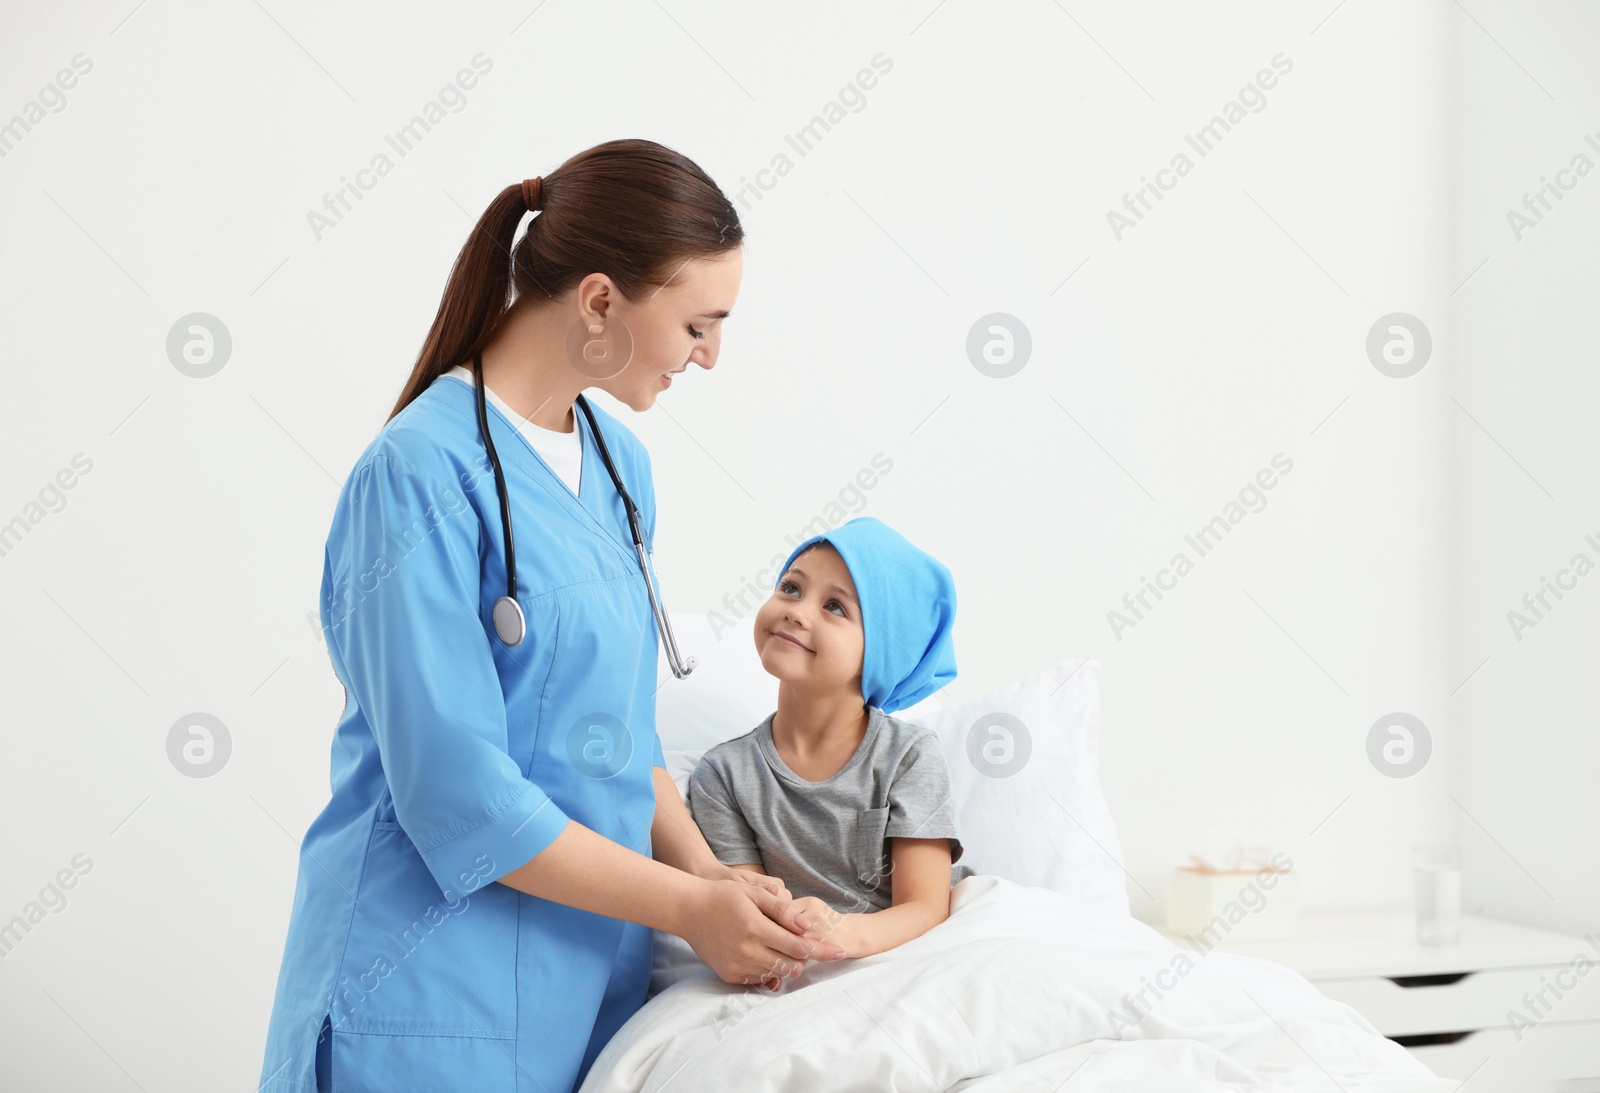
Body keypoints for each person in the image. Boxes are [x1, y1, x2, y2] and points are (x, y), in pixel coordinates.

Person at [257, 139, 845, 1093]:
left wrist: (710, 879)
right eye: (700, 324)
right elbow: (457, 791)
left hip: (580, 991)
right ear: (602, 300)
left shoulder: (621, 469)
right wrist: (687, 908)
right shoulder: (417, 475)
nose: (712, 356)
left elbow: (619, 735)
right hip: (422, 991)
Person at [687, 517, 976, 978]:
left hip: (907, 962)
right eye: (791, 588)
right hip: (808, 967)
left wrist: (845, 933)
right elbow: (750, 904)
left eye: (836, 607)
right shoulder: (723, 774)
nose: (797, 612)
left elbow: (925, 908)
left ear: (883, 653)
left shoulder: (910, 757)